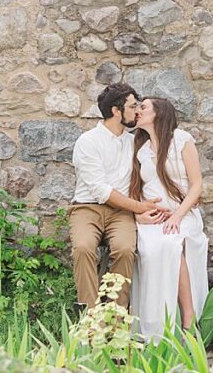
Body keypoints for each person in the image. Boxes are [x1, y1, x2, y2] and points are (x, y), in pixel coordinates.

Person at [70, 83, 168, 309]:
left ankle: (115, 318)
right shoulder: (88, 141)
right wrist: (139, 208)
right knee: (83, 248)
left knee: (125, 250)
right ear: (116, 111)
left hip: (121, 213)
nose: (137, 111)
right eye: (133, 106)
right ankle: (90, 318)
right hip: (87, 208)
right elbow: (101, 191)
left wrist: (140, 210)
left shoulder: (134, 141)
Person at [129, 96, 209, 340]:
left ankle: (188, 320)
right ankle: (155, 325)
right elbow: (135, 189)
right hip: (153, 218)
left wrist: (177, 215)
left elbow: (196, 185)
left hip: (183, 213)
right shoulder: (141, 151)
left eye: (143, 107)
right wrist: (139, 215)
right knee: (152, 248)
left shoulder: (181, 141)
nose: (138, 111)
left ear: (159, 113)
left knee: (172, 242)